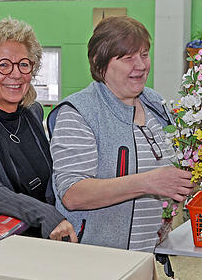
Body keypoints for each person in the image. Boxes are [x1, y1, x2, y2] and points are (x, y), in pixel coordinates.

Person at [49, 16, 193, 251]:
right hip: (99, 260)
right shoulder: (79, 113)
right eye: (128, 58)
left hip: (150, 254)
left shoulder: (155, 103)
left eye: (144, 55)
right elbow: (73, 194)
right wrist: (149, 182)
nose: (141, 65)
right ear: (100, 63)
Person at [0, 17, 76, 241]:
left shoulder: (33, 113)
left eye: (23, 64)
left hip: (48, 235)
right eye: (3, 65)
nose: (16, 74)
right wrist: (46, 215)